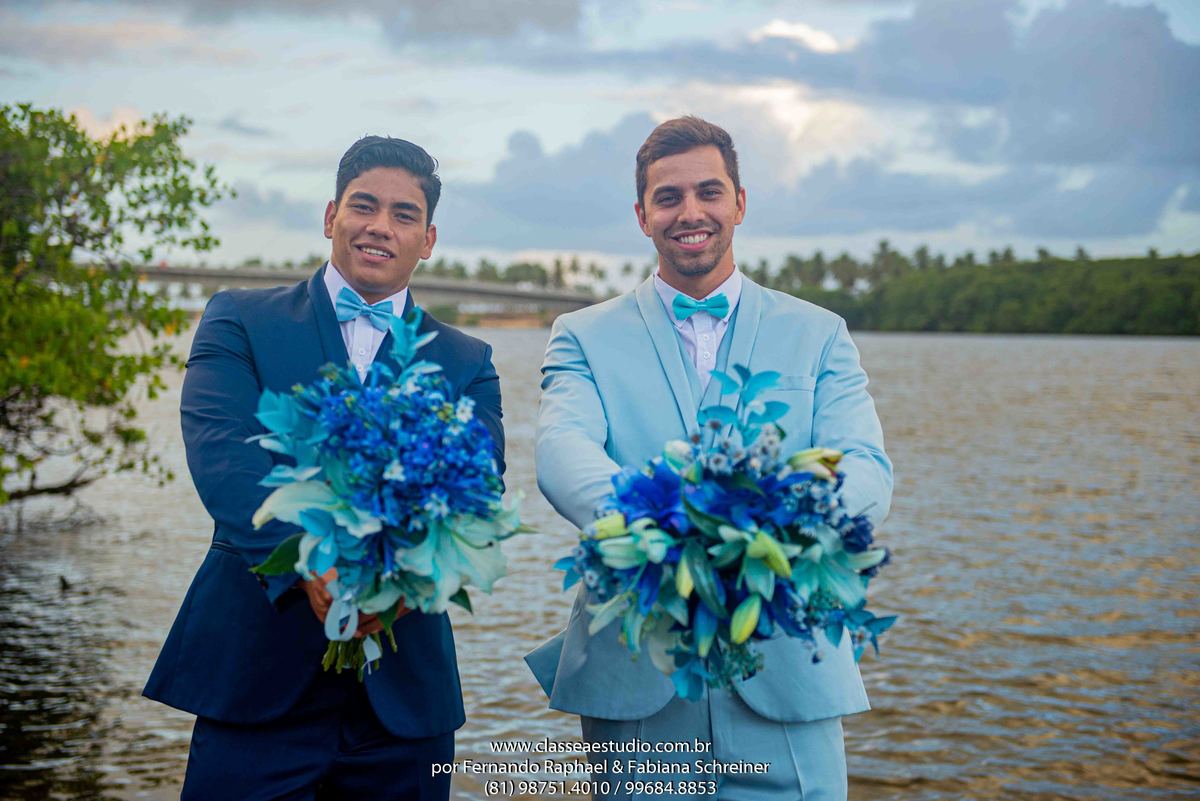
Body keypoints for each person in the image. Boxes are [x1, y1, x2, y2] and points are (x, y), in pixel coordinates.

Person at [526, 116, 892, 800]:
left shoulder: (820, 334)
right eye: (668, 197)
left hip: (788, 664)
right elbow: (560, 452)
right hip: (636, 681)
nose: (689, 212)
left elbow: (866, 465)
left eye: (709, 192)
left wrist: (767, 540)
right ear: (642, 215)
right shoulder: (581, 335)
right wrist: (675, 540)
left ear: (740, 203)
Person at [144, 136, 504, 800]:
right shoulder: (239, 319)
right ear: (330, 215)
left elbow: (478, 490)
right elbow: (220, 453)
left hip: (405, 704)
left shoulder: (467, 359)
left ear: (427, 240)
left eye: (403, 214)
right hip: (254, 681)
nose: (379, 226)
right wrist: (308, 557)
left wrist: (394, 576)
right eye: (364, 206)